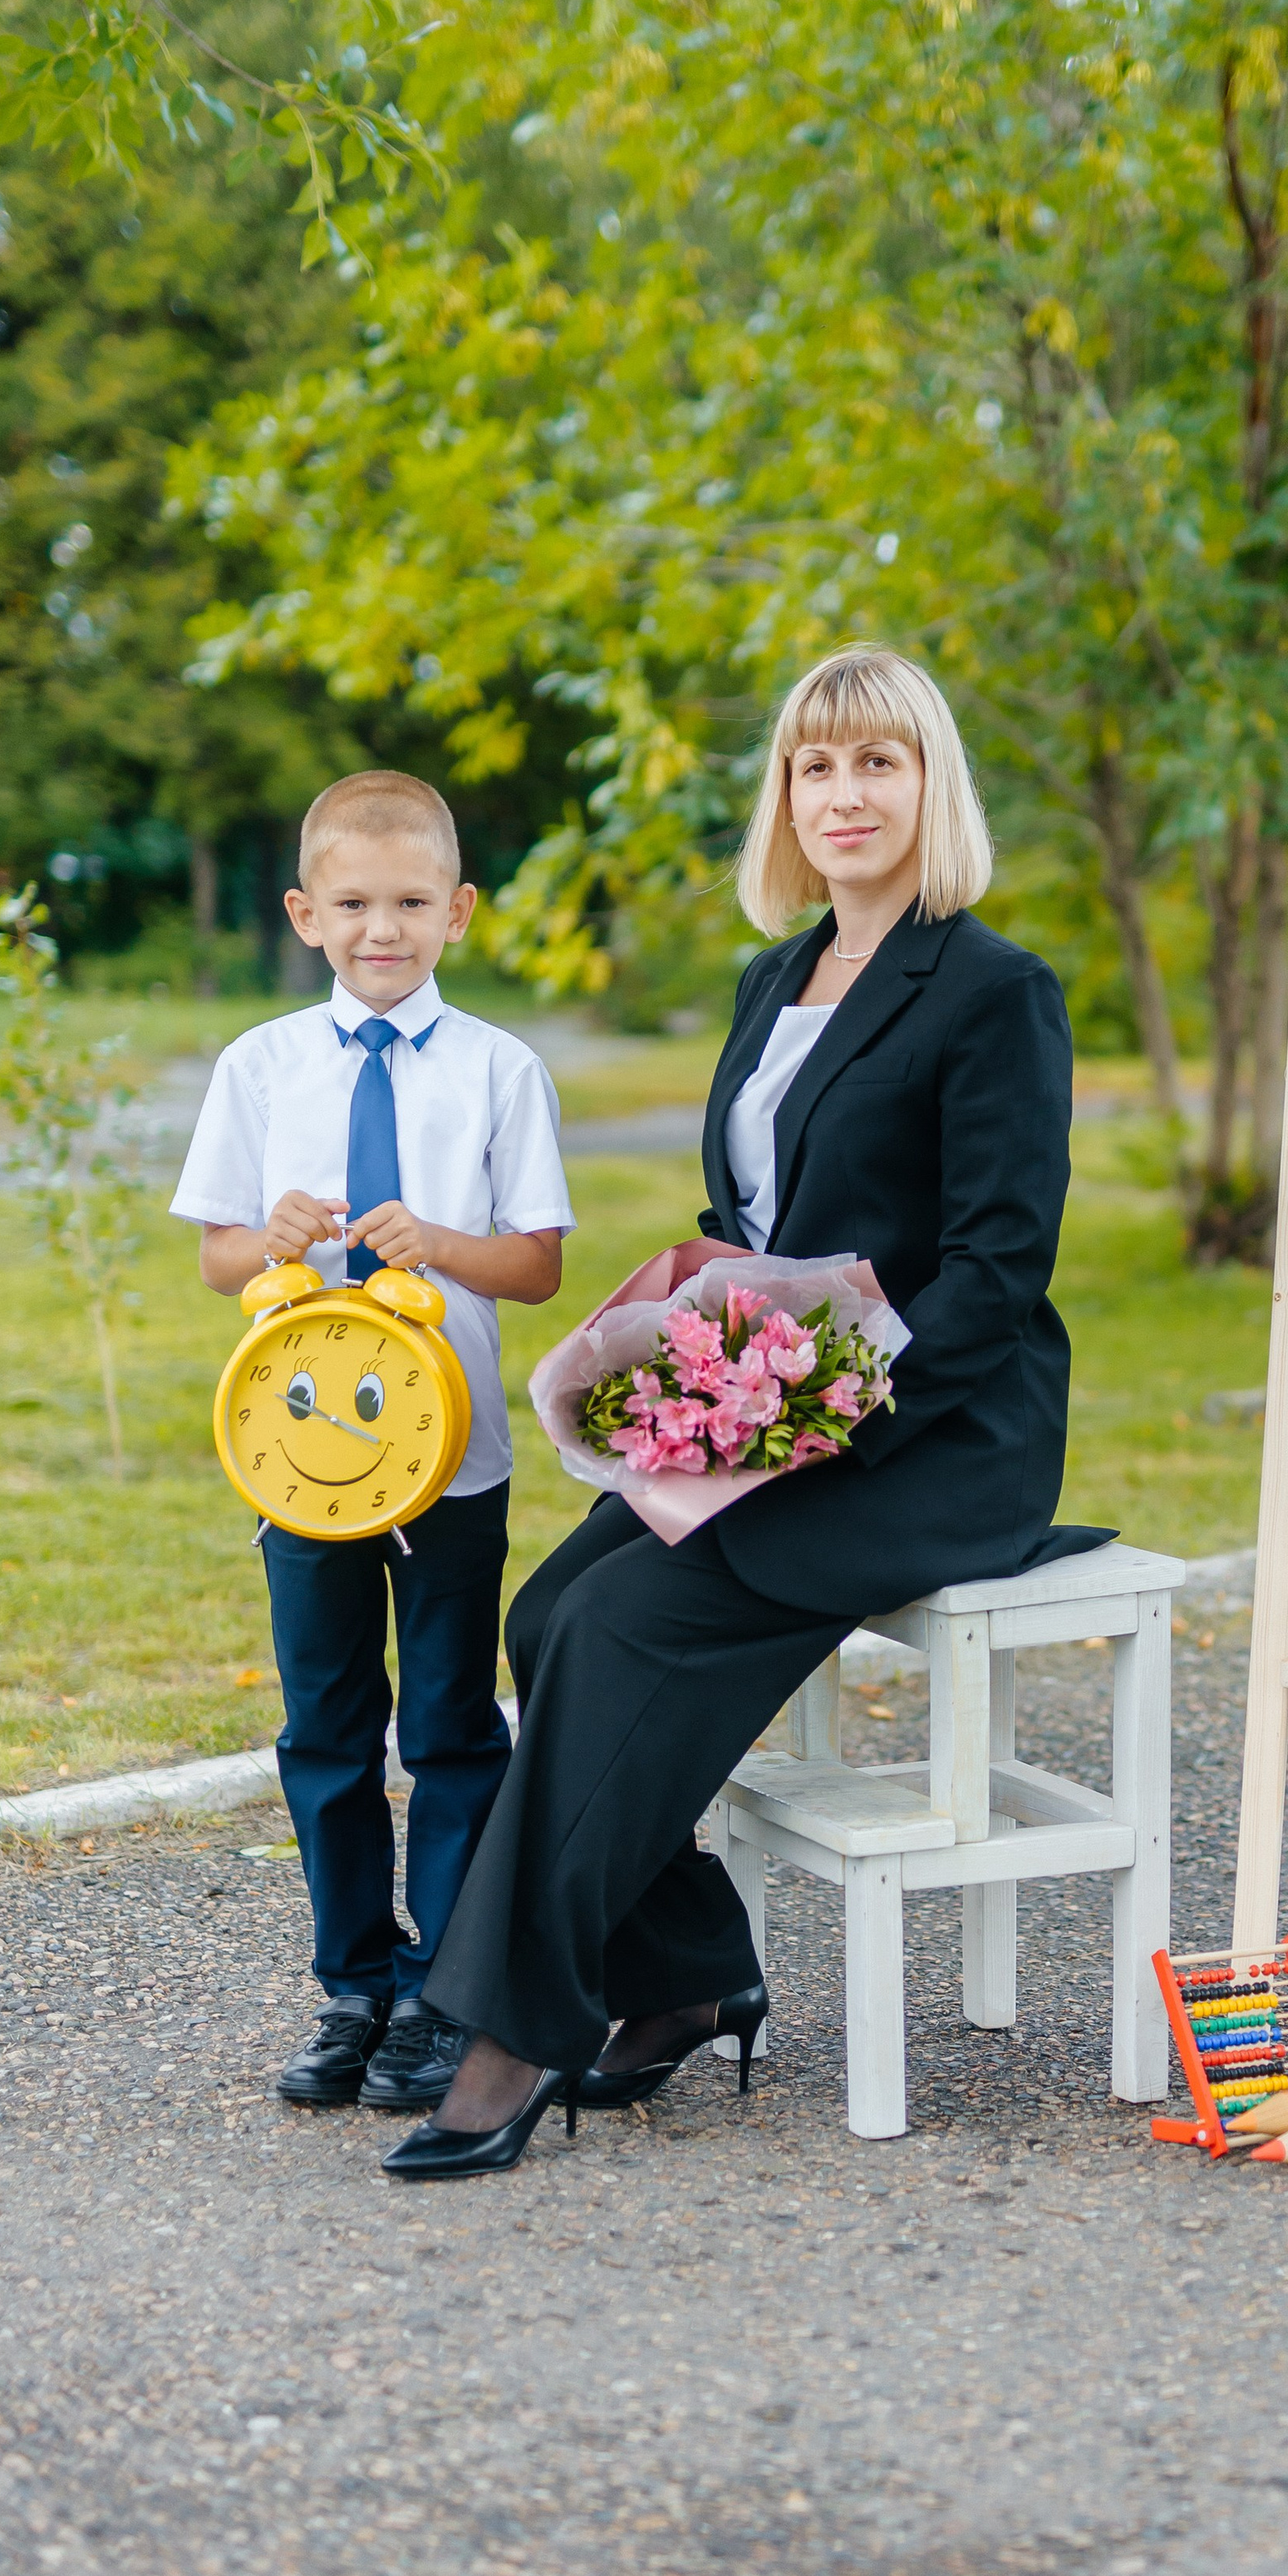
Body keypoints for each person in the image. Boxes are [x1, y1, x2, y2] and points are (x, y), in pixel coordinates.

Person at [386, 646, 1104, 2179]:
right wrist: (691, 1355)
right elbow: (748, 1211)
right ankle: (692, 1971)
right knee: (547, 1614)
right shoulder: (774, 981)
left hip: (929, 1436)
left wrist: (818, 1414)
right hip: (763, 1412)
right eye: (816, 767)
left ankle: (517, 2026)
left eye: (879, 764)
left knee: (623, 1626)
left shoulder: (994, 991)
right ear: (786, 794)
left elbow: (994, 1270)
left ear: (931, 787)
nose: (845, 795)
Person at [171, 770, 573, 2116]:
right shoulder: (261, 1066)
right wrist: (267, 1243)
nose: (381, 929)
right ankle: (357, 1984)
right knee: (326, 1726)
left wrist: (440, 1242)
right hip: (304, 1466)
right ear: (305, 912)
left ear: (458, 911)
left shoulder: (501, 1071)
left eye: (410, 903)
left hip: (453, 1466)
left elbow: (534, 1268)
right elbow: (220, 1252)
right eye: (352, 903)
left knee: (454, 1722)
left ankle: (448, 2001)